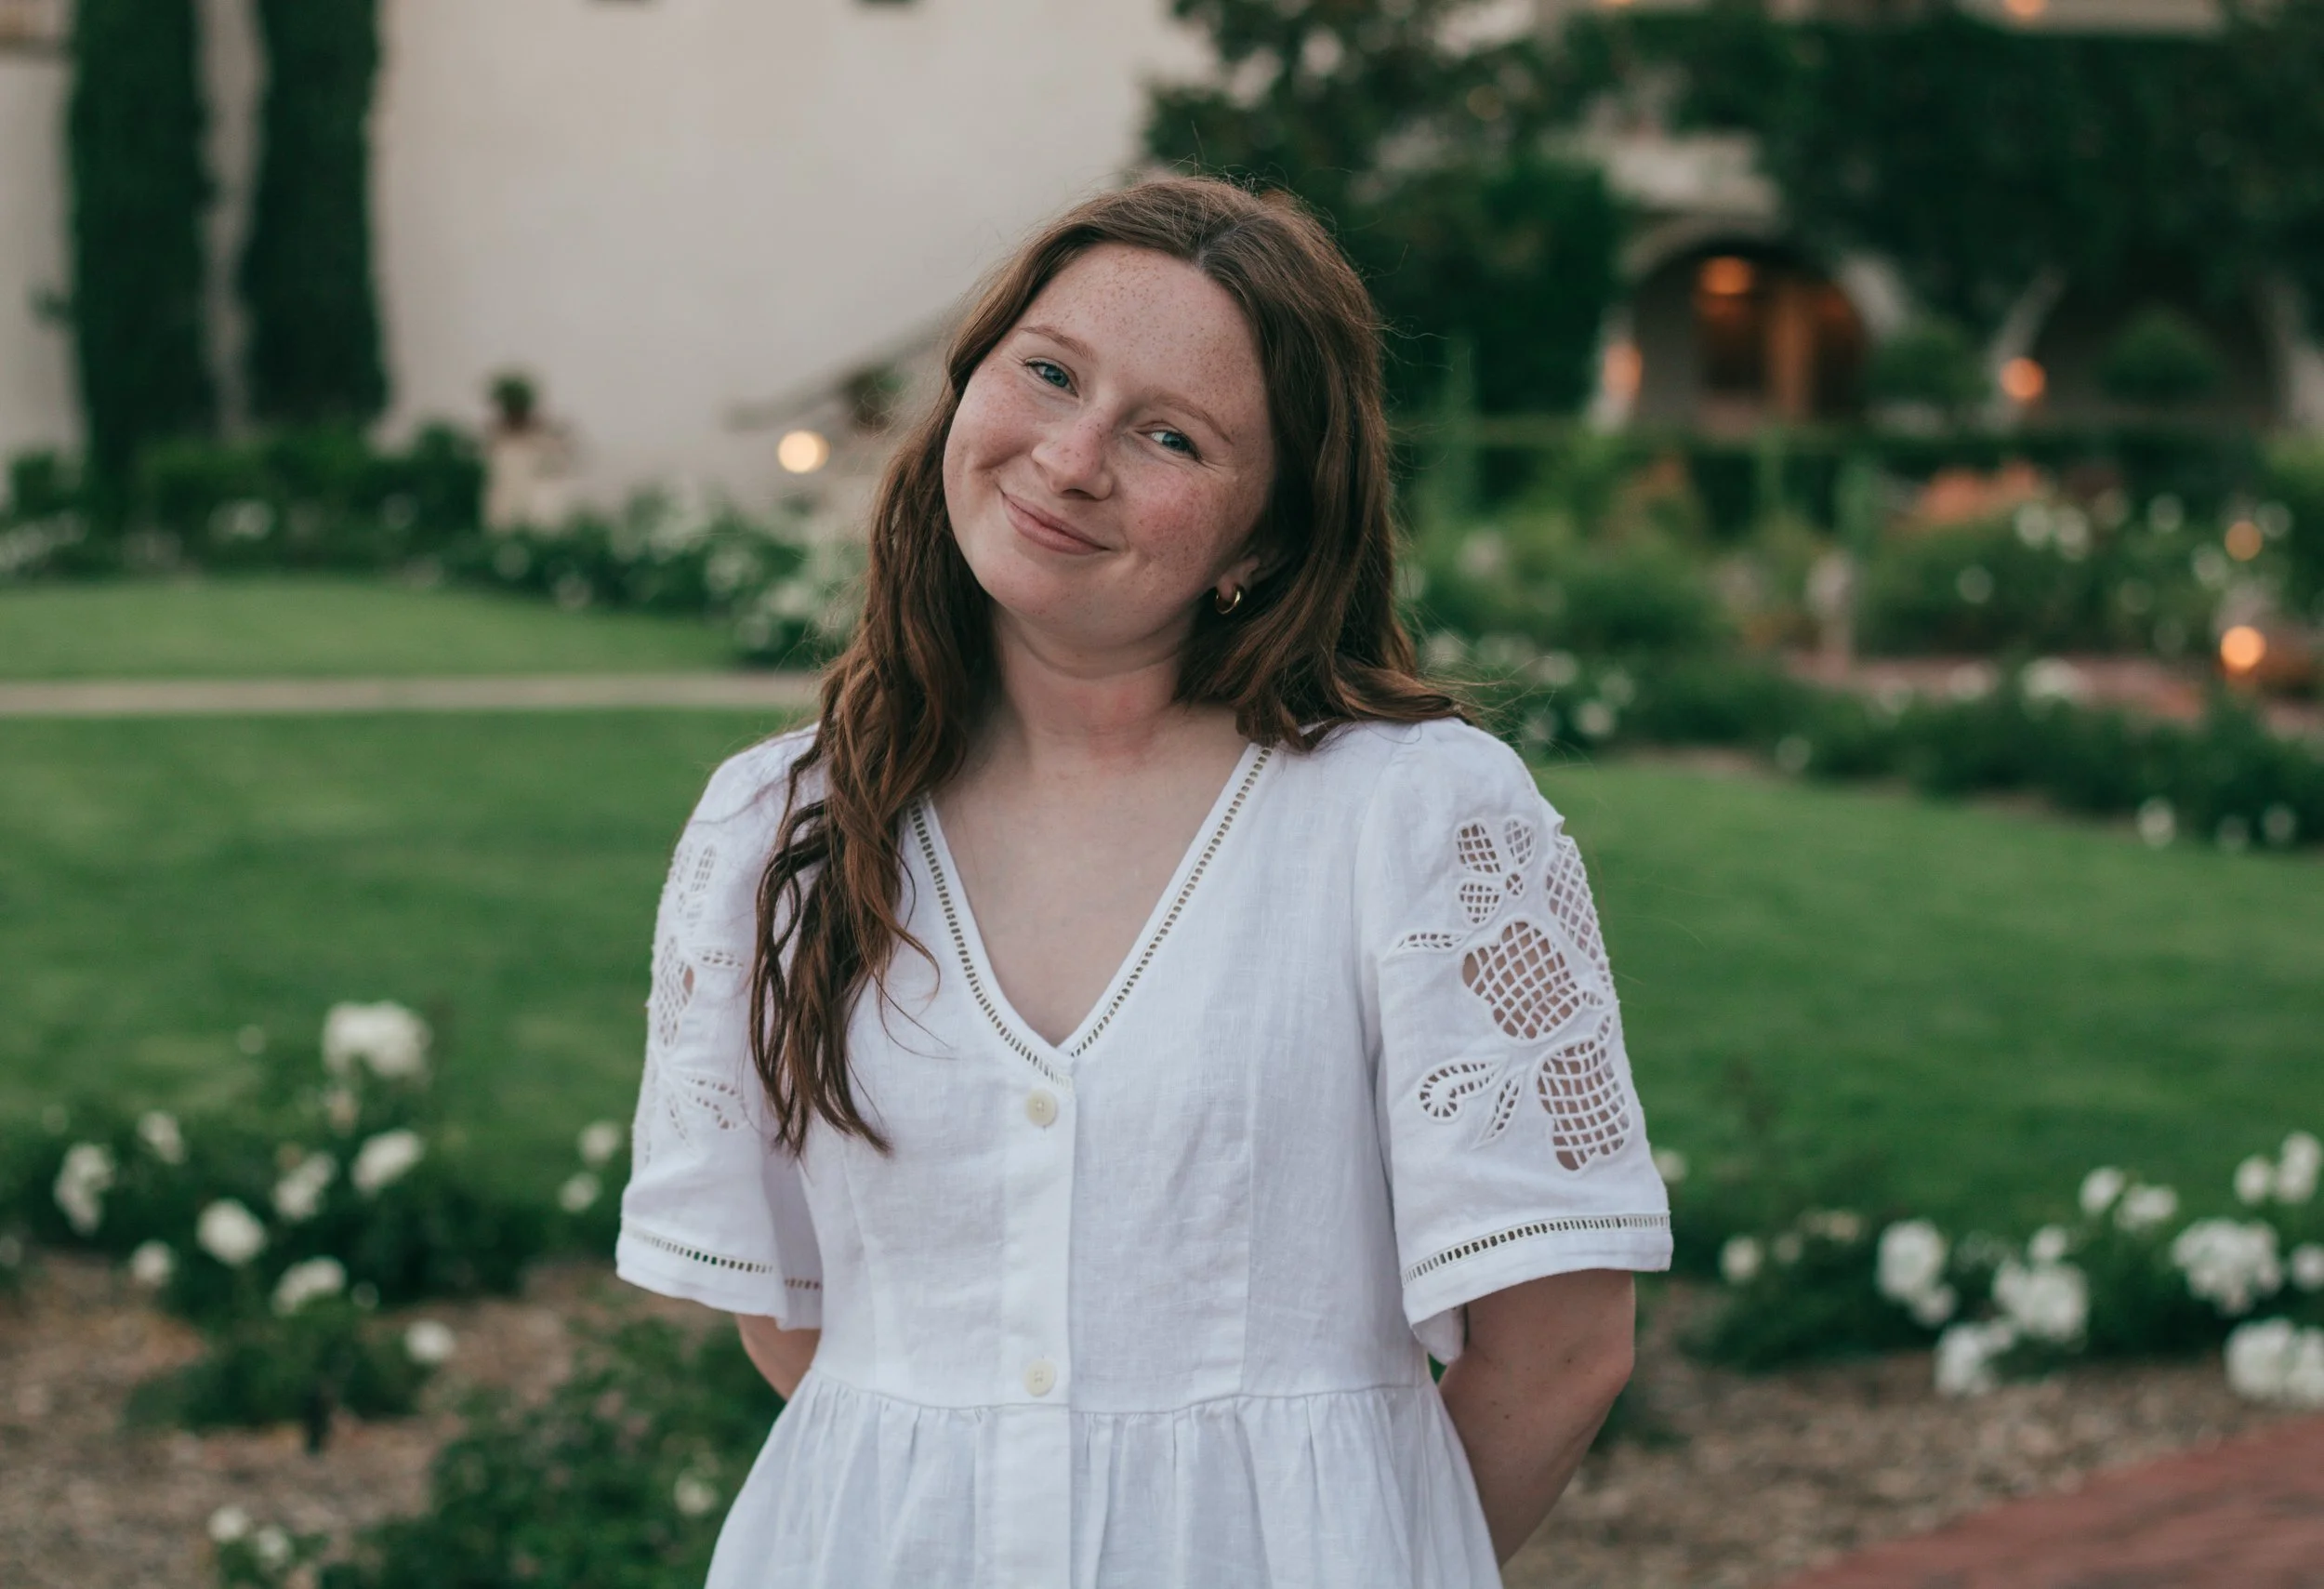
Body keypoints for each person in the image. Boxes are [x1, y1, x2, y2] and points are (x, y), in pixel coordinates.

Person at [616, 177, 1670, 1588]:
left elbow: (1565, 1343)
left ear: (1263, 536)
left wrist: (1358, 1546)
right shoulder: (777, 827)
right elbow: (800, 1315)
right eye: (1049, 375)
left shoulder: (1418, 820)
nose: (1069, 459)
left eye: (1169, 435)